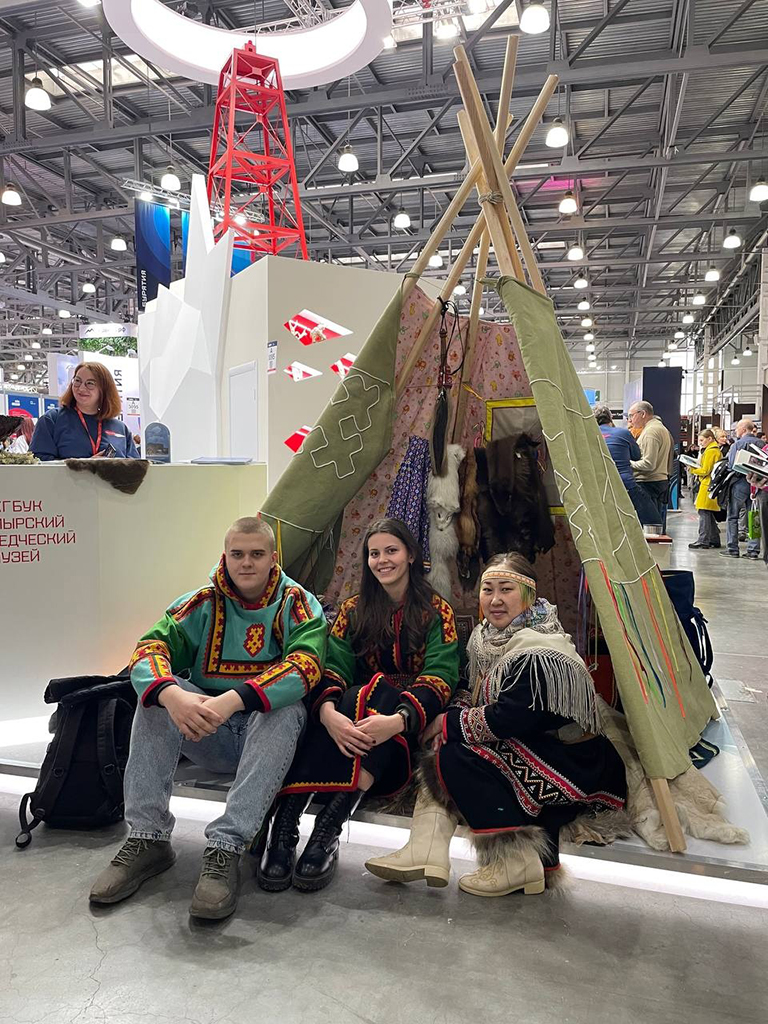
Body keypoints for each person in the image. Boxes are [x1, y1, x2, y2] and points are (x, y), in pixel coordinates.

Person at [89, 517, 328, 920]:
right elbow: (148, 649)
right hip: (207, 731)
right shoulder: (200, 603)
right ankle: (147, 837)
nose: (246, 563)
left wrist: (233, 700)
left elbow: (306, 666)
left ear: (273, 558)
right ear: (225, 556)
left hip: (267, 739)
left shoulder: (298, 604)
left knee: (287, 709)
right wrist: (173, 696)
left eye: (257, 554)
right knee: (156, 697)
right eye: (238, 554)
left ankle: (226, 847)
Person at [365, 552, 626, 896]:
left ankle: (513, 862)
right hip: (534, 744)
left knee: (456, 755)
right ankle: (425, 850)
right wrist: (453, 715)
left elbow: (514, 717)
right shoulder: (486, 637)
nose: (495, 600)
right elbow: (470, 689)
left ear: (528, 595)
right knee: (445, 747)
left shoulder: (539, 648)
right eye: (488, 590)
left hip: (574, 759)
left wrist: (447, 723)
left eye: (506, 589)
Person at [258, 518, 459, 894]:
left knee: (381, 694)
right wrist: (328, 714)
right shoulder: (352, 610)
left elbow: (441, 676)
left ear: (411, 555)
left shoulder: (437, 612)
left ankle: (327, 828)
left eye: (391, 551)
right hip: (351, 719)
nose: (382, 560)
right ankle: (285, 827)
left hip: (402, 728)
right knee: (346, 698)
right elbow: (333, 667)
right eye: (374, 553)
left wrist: (396, 721)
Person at [30, 362, 140, 460]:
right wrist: (84, 465)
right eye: (77, 381)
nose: (81, 388)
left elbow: (135, 468)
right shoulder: (52, 420)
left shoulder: (120, 428)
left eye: (90, 383)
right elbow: (38, 464)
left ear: (104, 389)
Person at [594, 405, 658, 525]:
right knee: (653, 520)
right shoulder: (623, 433)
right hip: (625, 484)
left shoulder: (590, 435)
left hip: (598, 486)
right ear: (611, 418)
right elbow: (637, 456)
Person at [628, 401, 674, 530]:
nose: (630, 420)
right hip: (657, 482)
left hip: (649, 484)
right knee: (656, 526)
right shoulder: (660, 429)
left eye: (631, 415)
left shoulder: (651, 432)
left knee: (650, 527)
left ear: (642, 414)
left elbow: (648, 464)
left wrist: (627, 463)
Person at [723, 419, 758, 557]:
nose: (735, 431)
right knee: (754, 517)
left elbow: (732, 465)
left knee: (733, 516)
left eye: (737, 428)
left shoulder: (737, 445)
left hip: (739, 483)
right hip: (757, 486)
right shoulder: (762, 444)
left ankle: (732, 548)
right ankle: (753, 550)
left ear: (743, 429)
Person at [687, 429, 723, 550]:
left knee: (703, 512)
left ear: (710, 439)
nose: (700, 443)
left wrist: (692, 469)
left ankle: (703, 540)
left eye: (702, 440)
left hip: (707, 485)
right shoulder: (714, 450)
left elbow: (705, 470)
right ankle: (714, 539)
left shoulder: (710, 452)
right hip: (711, 484)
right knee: (707, 512)